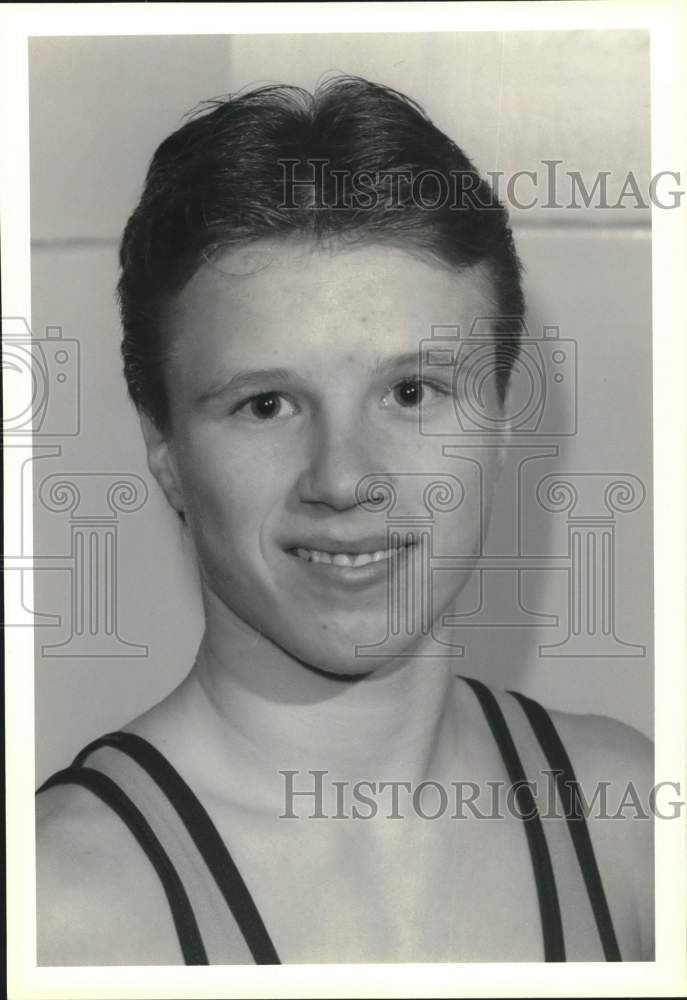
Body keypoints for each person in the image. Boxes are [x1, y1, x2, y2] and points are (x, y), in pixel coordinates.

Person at [35, 76, 654, 965]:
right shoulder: (56, 910)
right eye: (265, 404)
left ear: (499, 421)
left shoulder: (629, 829)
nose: (344, 478)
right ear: (163, 445)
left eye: (411, 392)